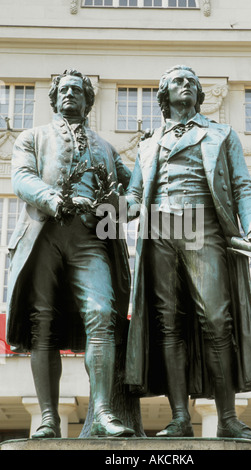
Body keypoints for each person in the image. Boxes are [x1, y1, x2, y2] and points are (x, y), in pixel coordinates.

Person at [125, 65, 251, 441]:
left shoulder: (221, 134)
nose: (186, 85)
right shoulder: (147, 143)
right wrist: (105, 204)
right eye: (178, 80)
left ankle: (227, 417)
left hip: (203, 229)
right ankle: (179, 417)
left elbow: (243, 186)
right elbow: (133, 198)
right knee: (168, 323)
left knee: (217, 320)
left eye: (192, 81)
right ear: (164, 94)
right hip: (159, 232)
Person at [6, 69, 134, 438]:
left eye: (78, 90)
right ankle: (48, 417)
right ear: (54, 97)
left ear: (88, 100)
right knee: (42, 323)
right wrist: (53, 198)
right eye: (64, 90)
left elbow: (134, 194)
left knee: (101, 313)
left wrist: (119, 204)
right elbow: (22, 178)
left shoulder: (107, 148)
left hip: (91, 239)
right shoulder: (32, 137)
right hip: (44, 235)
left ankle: (103, 413)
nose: (70, 95)